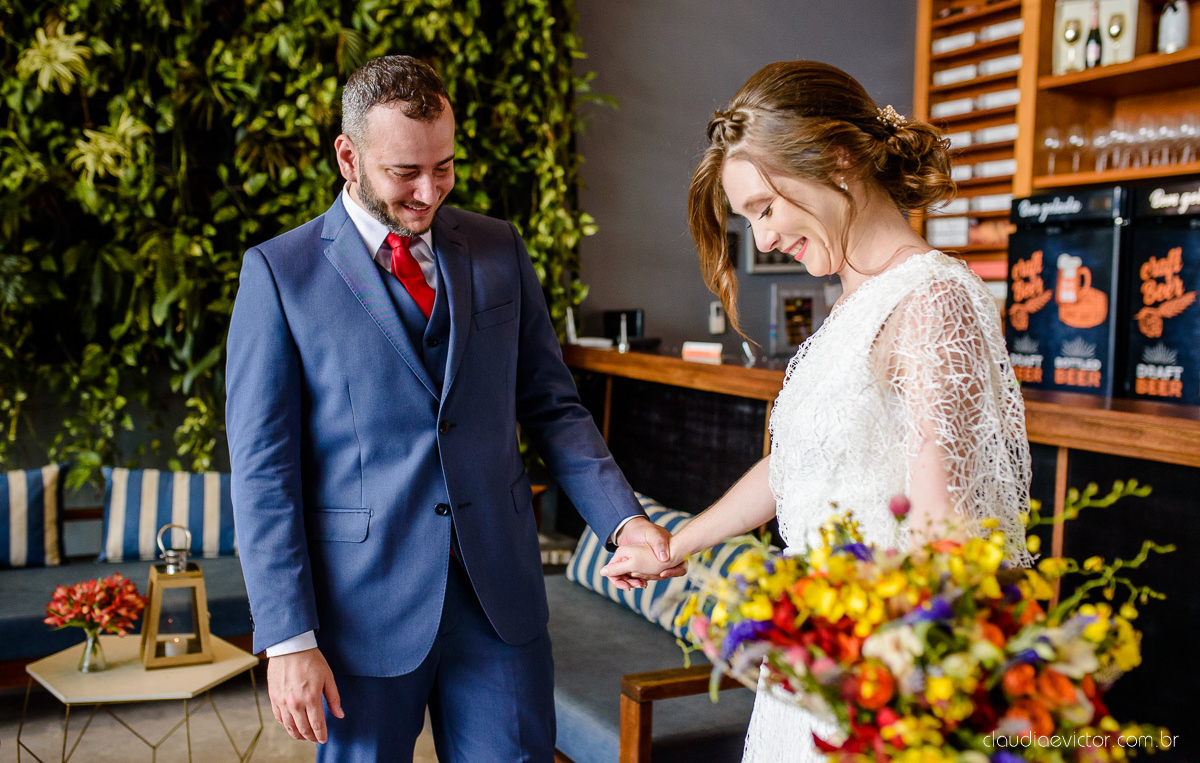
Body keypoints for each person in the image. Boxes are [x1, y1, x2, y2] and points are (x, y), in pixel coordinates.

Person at [226, 55, 672, 763]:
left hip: (500, 599)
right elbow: (262, 473)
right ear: (348, 157)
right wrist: (287, 637)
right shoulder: (281, 274)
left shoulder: (498, 248)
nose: (428, 191)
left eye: (445, 167)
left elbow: (553, 406)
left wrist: (624, 520)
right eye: (405, 172)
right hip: (360, 612)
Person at [600, 60, 1032, 763]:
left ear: (837, 160)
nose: (763, 240)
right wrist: (675, 546)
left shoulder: (932, 301)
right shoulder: (856, 302)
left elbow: (945, 541)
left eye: (765, 209)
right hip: (812, 664)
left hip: (879, 675)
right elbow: (796, 467)